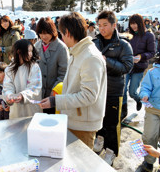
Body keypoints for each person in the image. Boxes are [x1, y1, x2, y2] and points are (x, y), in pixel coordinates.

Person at [39, 12, 107, 150]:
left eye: (62, 34)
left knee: (81, 164)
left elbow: (88, 96)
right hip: (74, 119)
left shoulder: (90, 57)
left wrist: (55, 101)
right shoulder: (78, 52)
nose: (62, 38)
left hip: (83, 124)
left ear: (68, 33)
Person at [93, 10, 133, 164]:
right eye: (99, 25)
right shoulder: (95, 42)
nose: (101, 28)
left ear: (114, 25)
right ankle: (100, 140)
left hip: (114, 90)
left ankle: (111, 151)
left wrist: (106, 60)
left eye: (105, 25)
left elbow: (127, 67)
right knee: (98, 118)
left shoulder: (123, 45)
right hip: (97, 88)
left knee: (112, 123)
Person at [137, 41, 160, 172]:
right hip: (153, 109)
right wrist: (144, 94)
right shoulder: (153, 71)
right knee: (148, 136)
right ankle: (148, 162)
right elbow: (145, 86)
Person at [121, 14, 156, 120]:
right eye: (131, 24)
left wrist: (141, 56)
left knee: (132, 91)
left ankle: (137, 99)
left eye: (135, 23)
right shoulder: (128, 34)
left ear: (140, 23)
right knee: (123, 89)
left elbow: (152, 52)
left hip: (139, 67)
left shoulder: (149, 35)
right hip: (127, 66)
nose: (133, 26)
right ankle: (124, 110)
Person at [35, 17, 69, 114]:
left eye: (46, 33)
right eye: (41, 33)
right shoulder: (36, 46)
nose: (43, 36)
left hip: (54, 95)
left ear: (53, 31)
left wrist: (54, 91)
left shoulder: (61, 48)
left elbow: (64, 73)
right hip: (39, 94)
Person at [3, 39, 42, 119]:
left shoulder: (34, 67)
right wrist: (9, 96)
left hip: (32, 108)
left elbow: (35, 87)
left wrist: (22, 95)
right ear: (19, 51)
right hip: (16, 110)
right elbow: (7, 86)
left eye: (31, 51)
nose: (31, 54)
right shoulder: (9, 69)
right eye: (28, 51)